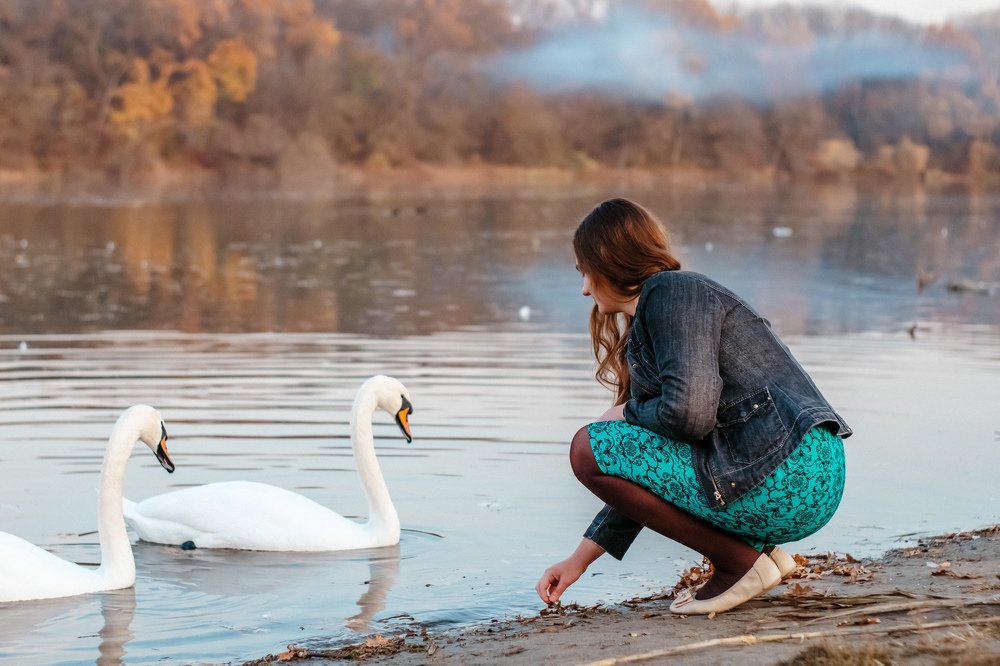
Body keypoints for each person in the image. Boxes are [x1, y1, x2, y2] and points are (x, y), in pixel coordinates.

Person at [536, 198, 852, 615]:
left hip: (797, 473)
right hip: (796, 475)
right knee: (607, 448)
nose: (584, 289)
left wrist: (626, 414)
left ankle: (739, 564)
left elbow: (689, 415)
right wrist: (578, 561)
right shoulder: (662, 312)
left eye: (585, 272)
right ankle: (757, 557)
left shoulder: (672, 292)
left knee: (587, 449)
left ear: (607, 261)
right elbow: (646, 473)